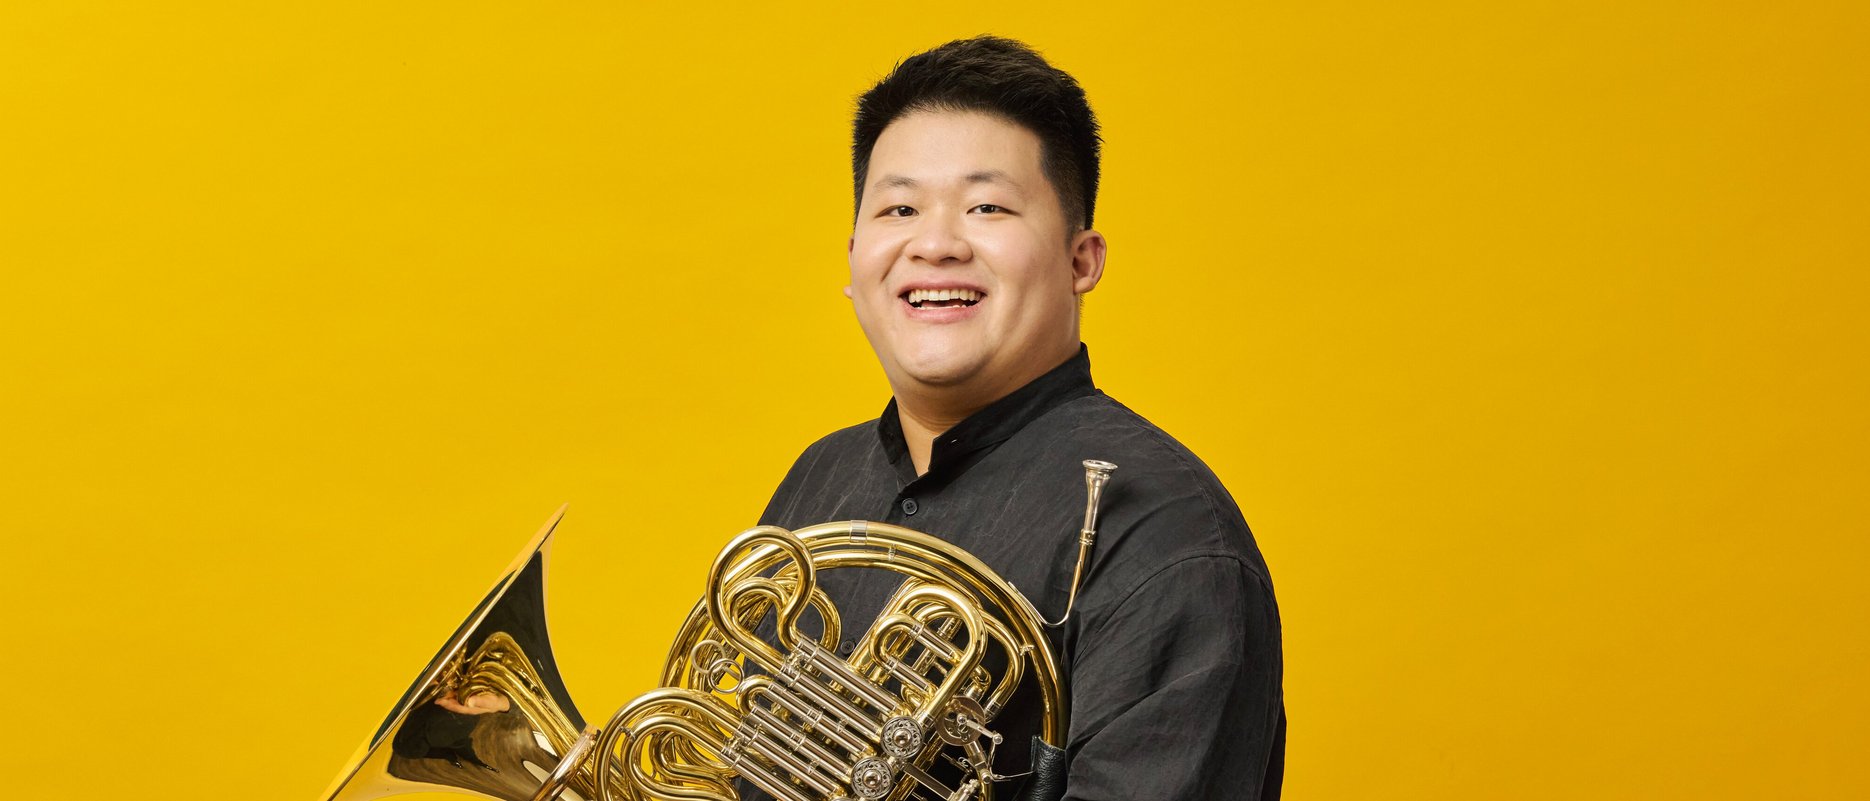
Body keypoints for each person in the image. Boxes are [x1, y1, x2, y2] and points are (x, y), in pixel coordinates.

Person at [758, 36, 1284, 799]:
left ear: (1082, 261)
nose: (934, 244)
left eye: (987, 207)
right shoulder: (820, 477)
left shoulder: (1169, 532)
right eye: (900, 207)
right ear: (853, 259)